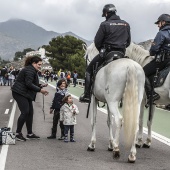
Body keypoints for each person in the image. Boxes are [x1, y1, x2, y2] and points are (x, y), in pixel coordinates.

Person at [79, 4, 131, 103]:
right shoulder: (126, 24)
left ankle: (86, 95)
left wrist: (102, 49)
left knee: (89, 71)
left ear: (106, 13)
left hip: (108, 53)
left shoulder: (104, 24)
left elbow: (97, 42)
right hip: (121, 54)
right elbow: (128, 42)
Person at [12, 56, 49, 141]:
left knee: (30, 113)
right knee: (25, 112)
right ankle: (18, 133)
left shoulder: (32, 70)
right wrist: (40, 90)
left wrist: (40, 86)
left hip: (25, 93)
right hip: (19, 93)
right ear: (34, 63)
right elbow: (28, 84)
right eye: (39, 64)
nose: (40, 66)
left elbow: (30, 83)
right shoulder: (29, 70)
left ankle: (30, 133)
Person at [143, 14, 170, 102]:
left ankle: (151, 94)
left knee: (141, 72)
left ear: (164, 22)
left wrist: (152, 52)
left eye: (159, 23)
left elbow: (154, 49)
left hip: (163, 60)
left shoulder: (161, 33)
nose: (158, 25)